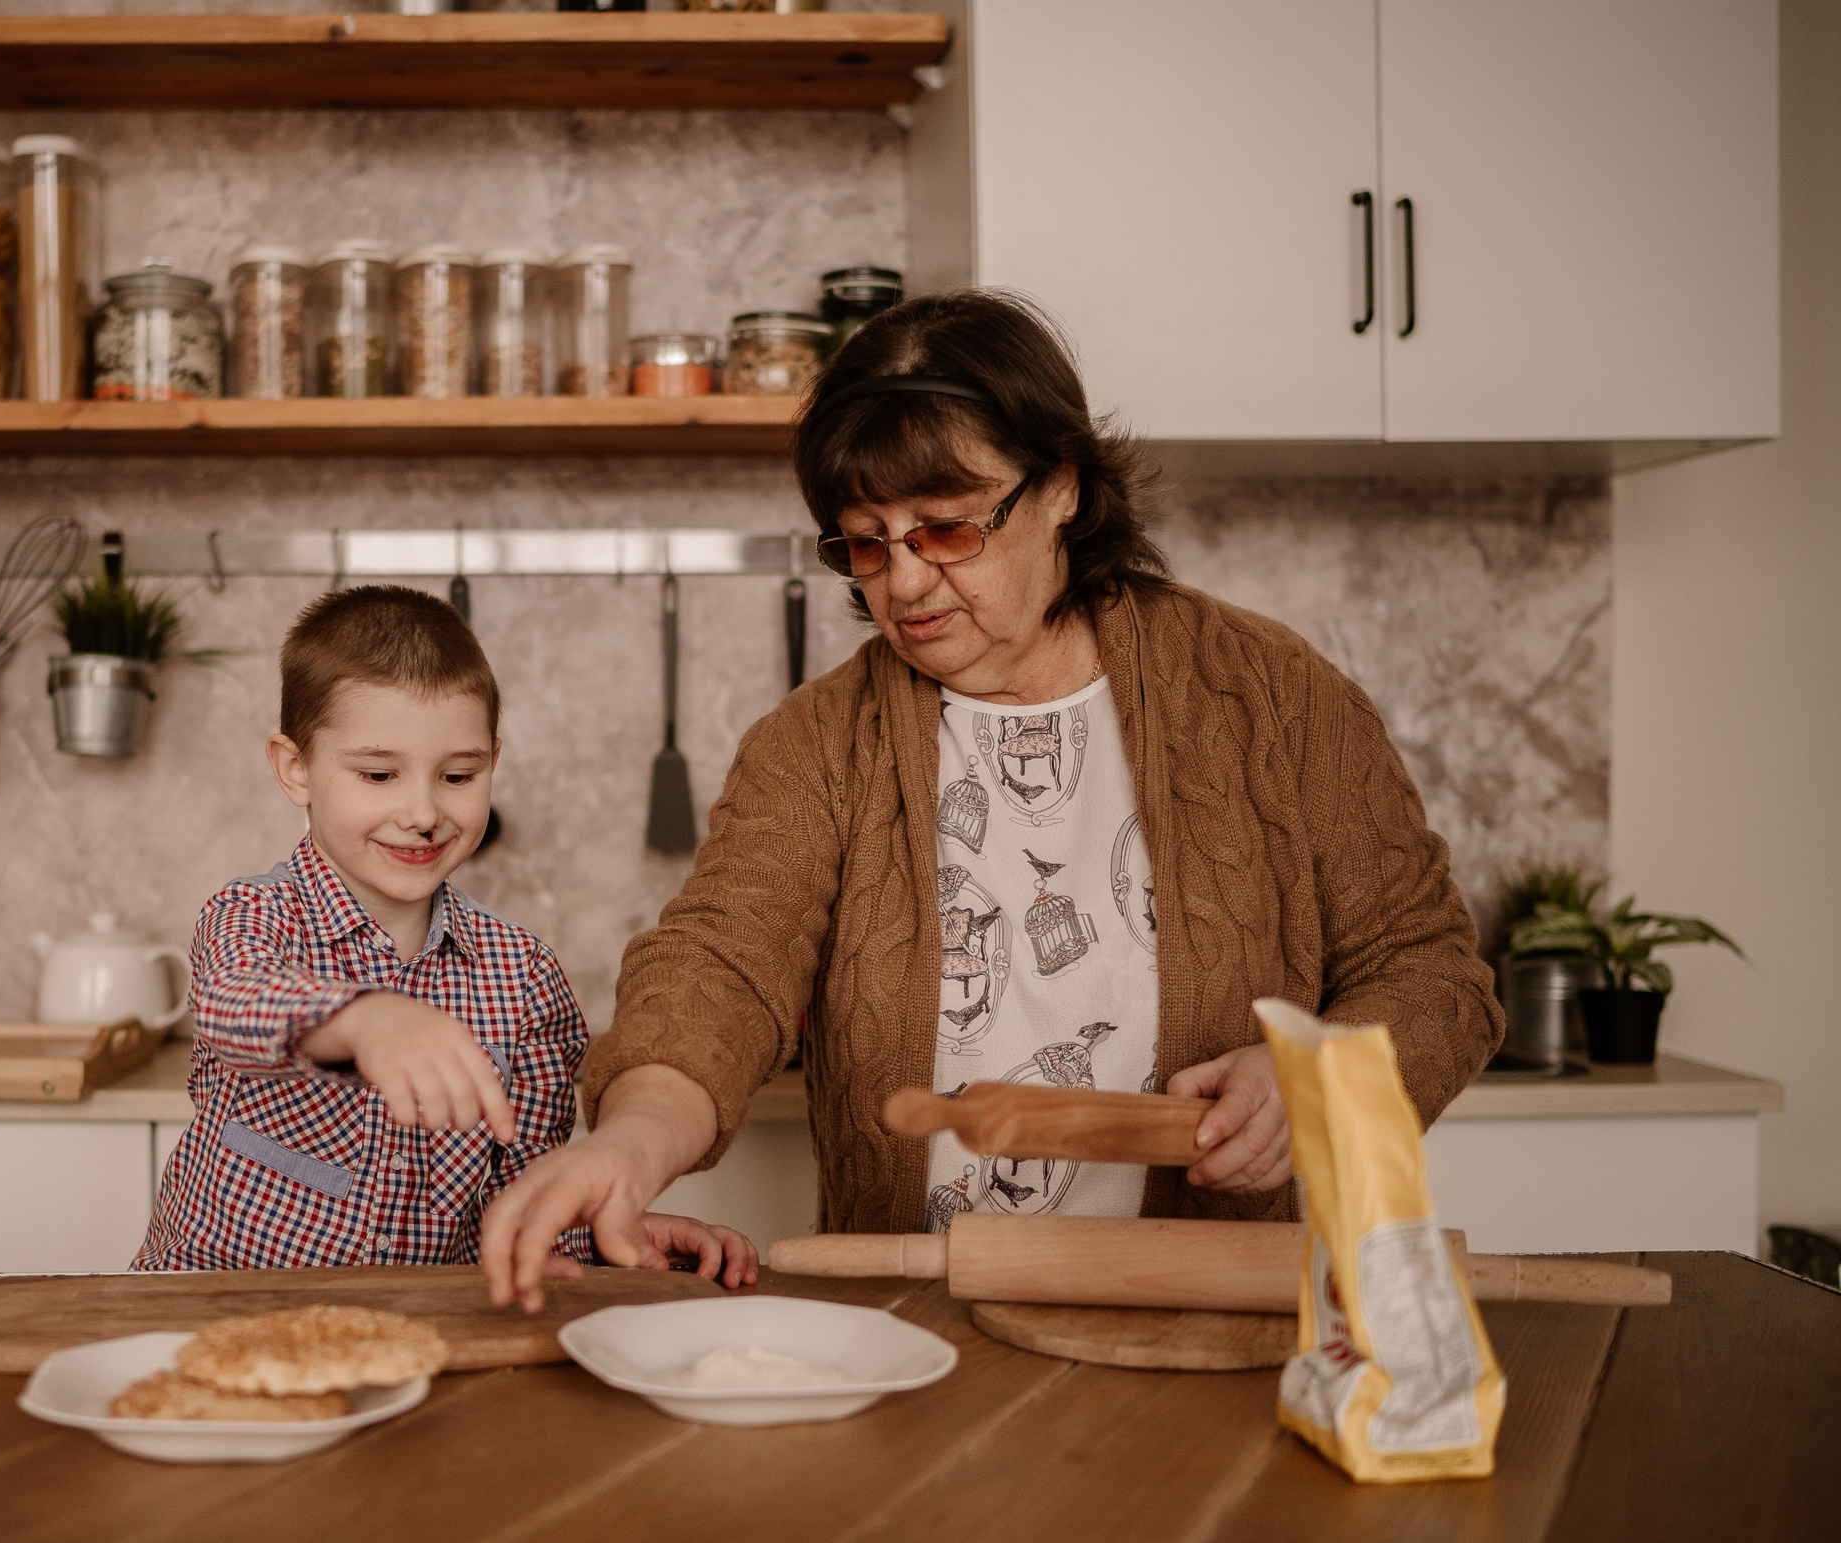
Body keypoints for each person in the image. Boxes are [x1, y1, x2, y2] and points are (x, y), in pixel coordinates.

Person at [478, 290, 1502, 1311]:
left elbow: (1430, 973)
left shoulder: (1272, 696)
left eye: (945, 529)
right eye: (866, 542)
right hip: (919, 1332)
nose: (903, 584)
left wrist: (1315, 1084)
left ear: (1059, 488)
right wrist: (630, 1141)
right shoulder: (817, 744)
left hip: (1211, 1327)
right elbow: (721, 964)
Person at [137, 585, 758, 1283]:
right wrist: (365, 1019)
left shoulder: (525, 977)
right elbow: (233, 1002)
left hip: (413, 1333)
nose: (424, 812)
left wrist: (612, 1236)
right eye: (379, 774)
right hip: (210, 1314)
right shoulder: (254, 914)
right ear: (296, 769)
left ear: (492, 761)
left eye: (458, 775)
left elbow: (519, 1202)